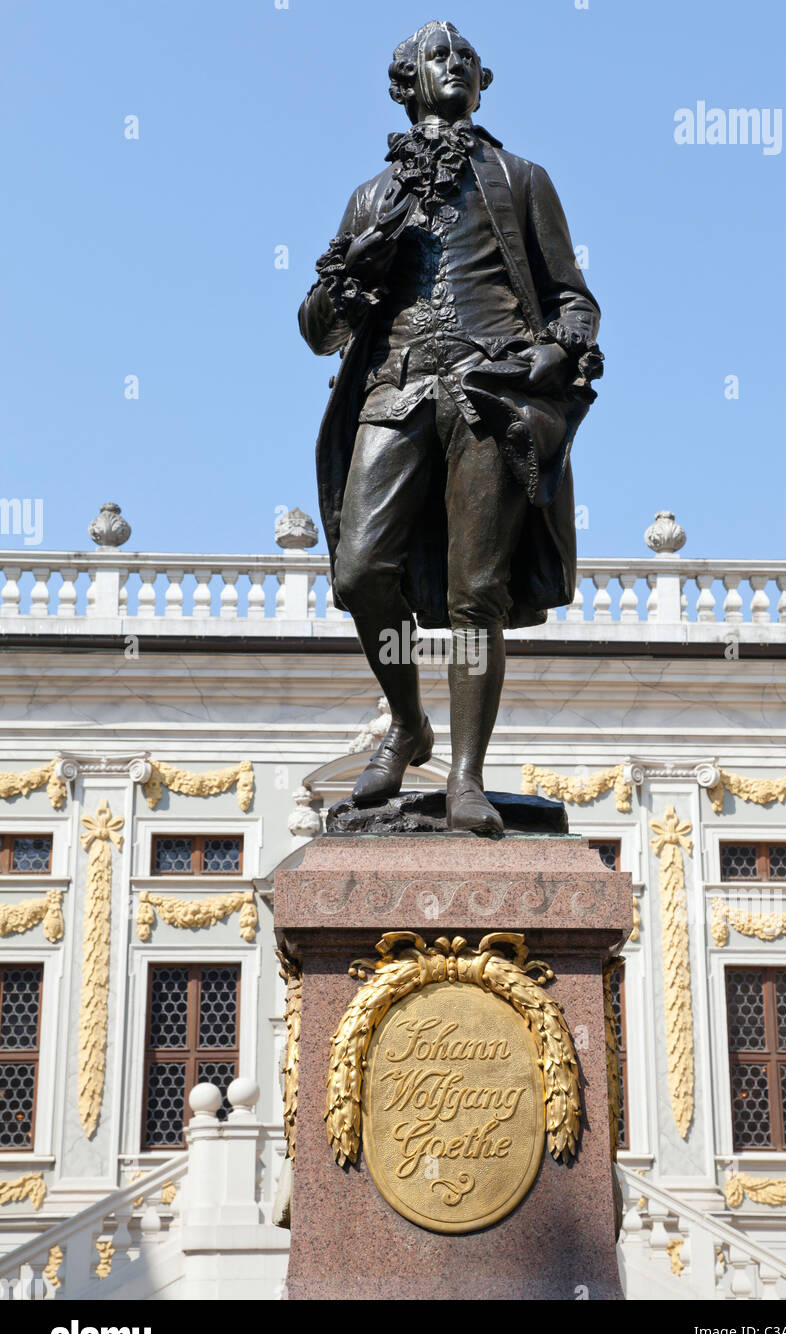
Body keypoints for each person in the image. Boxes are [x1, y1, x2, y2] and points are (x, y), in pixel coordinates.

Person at [299, 20, 603, 834]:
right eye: (439, 56)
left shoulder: (521, 177)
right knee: (360, 570)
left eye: (467, 57)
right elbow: (316, 330)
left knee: (478, 594)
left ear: (483, 80)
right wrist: (349, 280)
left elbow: (572, 296)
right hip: (394, 391)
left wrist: (558, 349)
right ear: (407, 83)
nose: (456, 64)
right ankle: (408, 722)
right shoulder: (370, 197)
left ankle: (465, 776)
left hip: (488, 393)